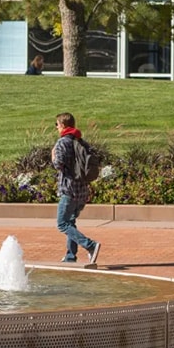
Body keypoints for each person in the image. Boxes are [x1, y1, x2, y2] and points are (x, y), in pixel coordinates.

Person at [51, 112, 101, 266]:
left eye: (57, 125)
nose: (57, 128)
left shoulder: (62, 143)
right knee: (70, 222)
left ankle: (90, 245)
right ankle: (70, 256)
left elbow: (59, 164)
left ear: (63, 125)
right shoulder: (80, 141)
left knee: (62, 223)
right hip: (82, 191)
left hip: (69, 190)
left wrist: (53, 156)